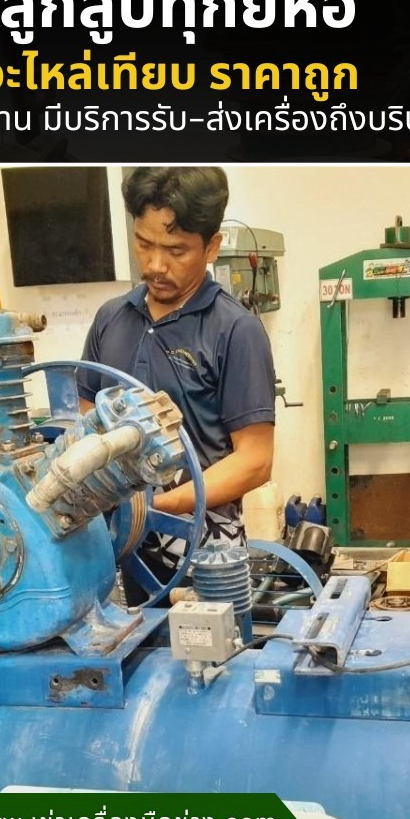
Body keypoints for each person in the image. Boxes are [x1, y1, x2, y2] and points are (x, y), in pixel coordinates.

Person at [77, 167, 276, 576]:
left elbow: (255, 460)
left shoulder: (235, 330)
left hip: (202, 546)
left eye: (176, 250)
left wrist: (156, 507)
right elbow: (85, 417)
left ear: (212, 246)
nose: (155, 265)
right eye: (143, 243)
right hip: (110, 543)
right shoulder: (110, 318)